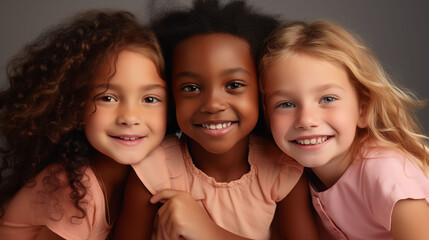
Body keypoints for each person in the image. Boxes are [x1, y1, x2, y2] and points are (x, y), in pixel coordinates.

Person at [113, 1, 319, 240]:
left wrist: (209, 232)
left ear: (262, 90)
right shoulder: (153, 171)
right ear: (170, 95)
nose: (212, 104)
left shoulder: (282, 169)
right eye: (190, 88)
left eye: (233, 85)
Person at [0, 10, 167, 239]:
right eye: (108, 98)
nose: (130, 117)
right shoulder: (74, 191)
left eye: (150, 99)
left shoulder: (158, 162)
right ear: (76, 108)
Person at [259, 20, 429, 239]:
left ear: (363, 109)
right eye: (286, 104)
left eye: (328, 99)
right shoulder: (293, 172)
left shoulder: (386, 173)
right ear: (266, 113)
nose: (307, 120)